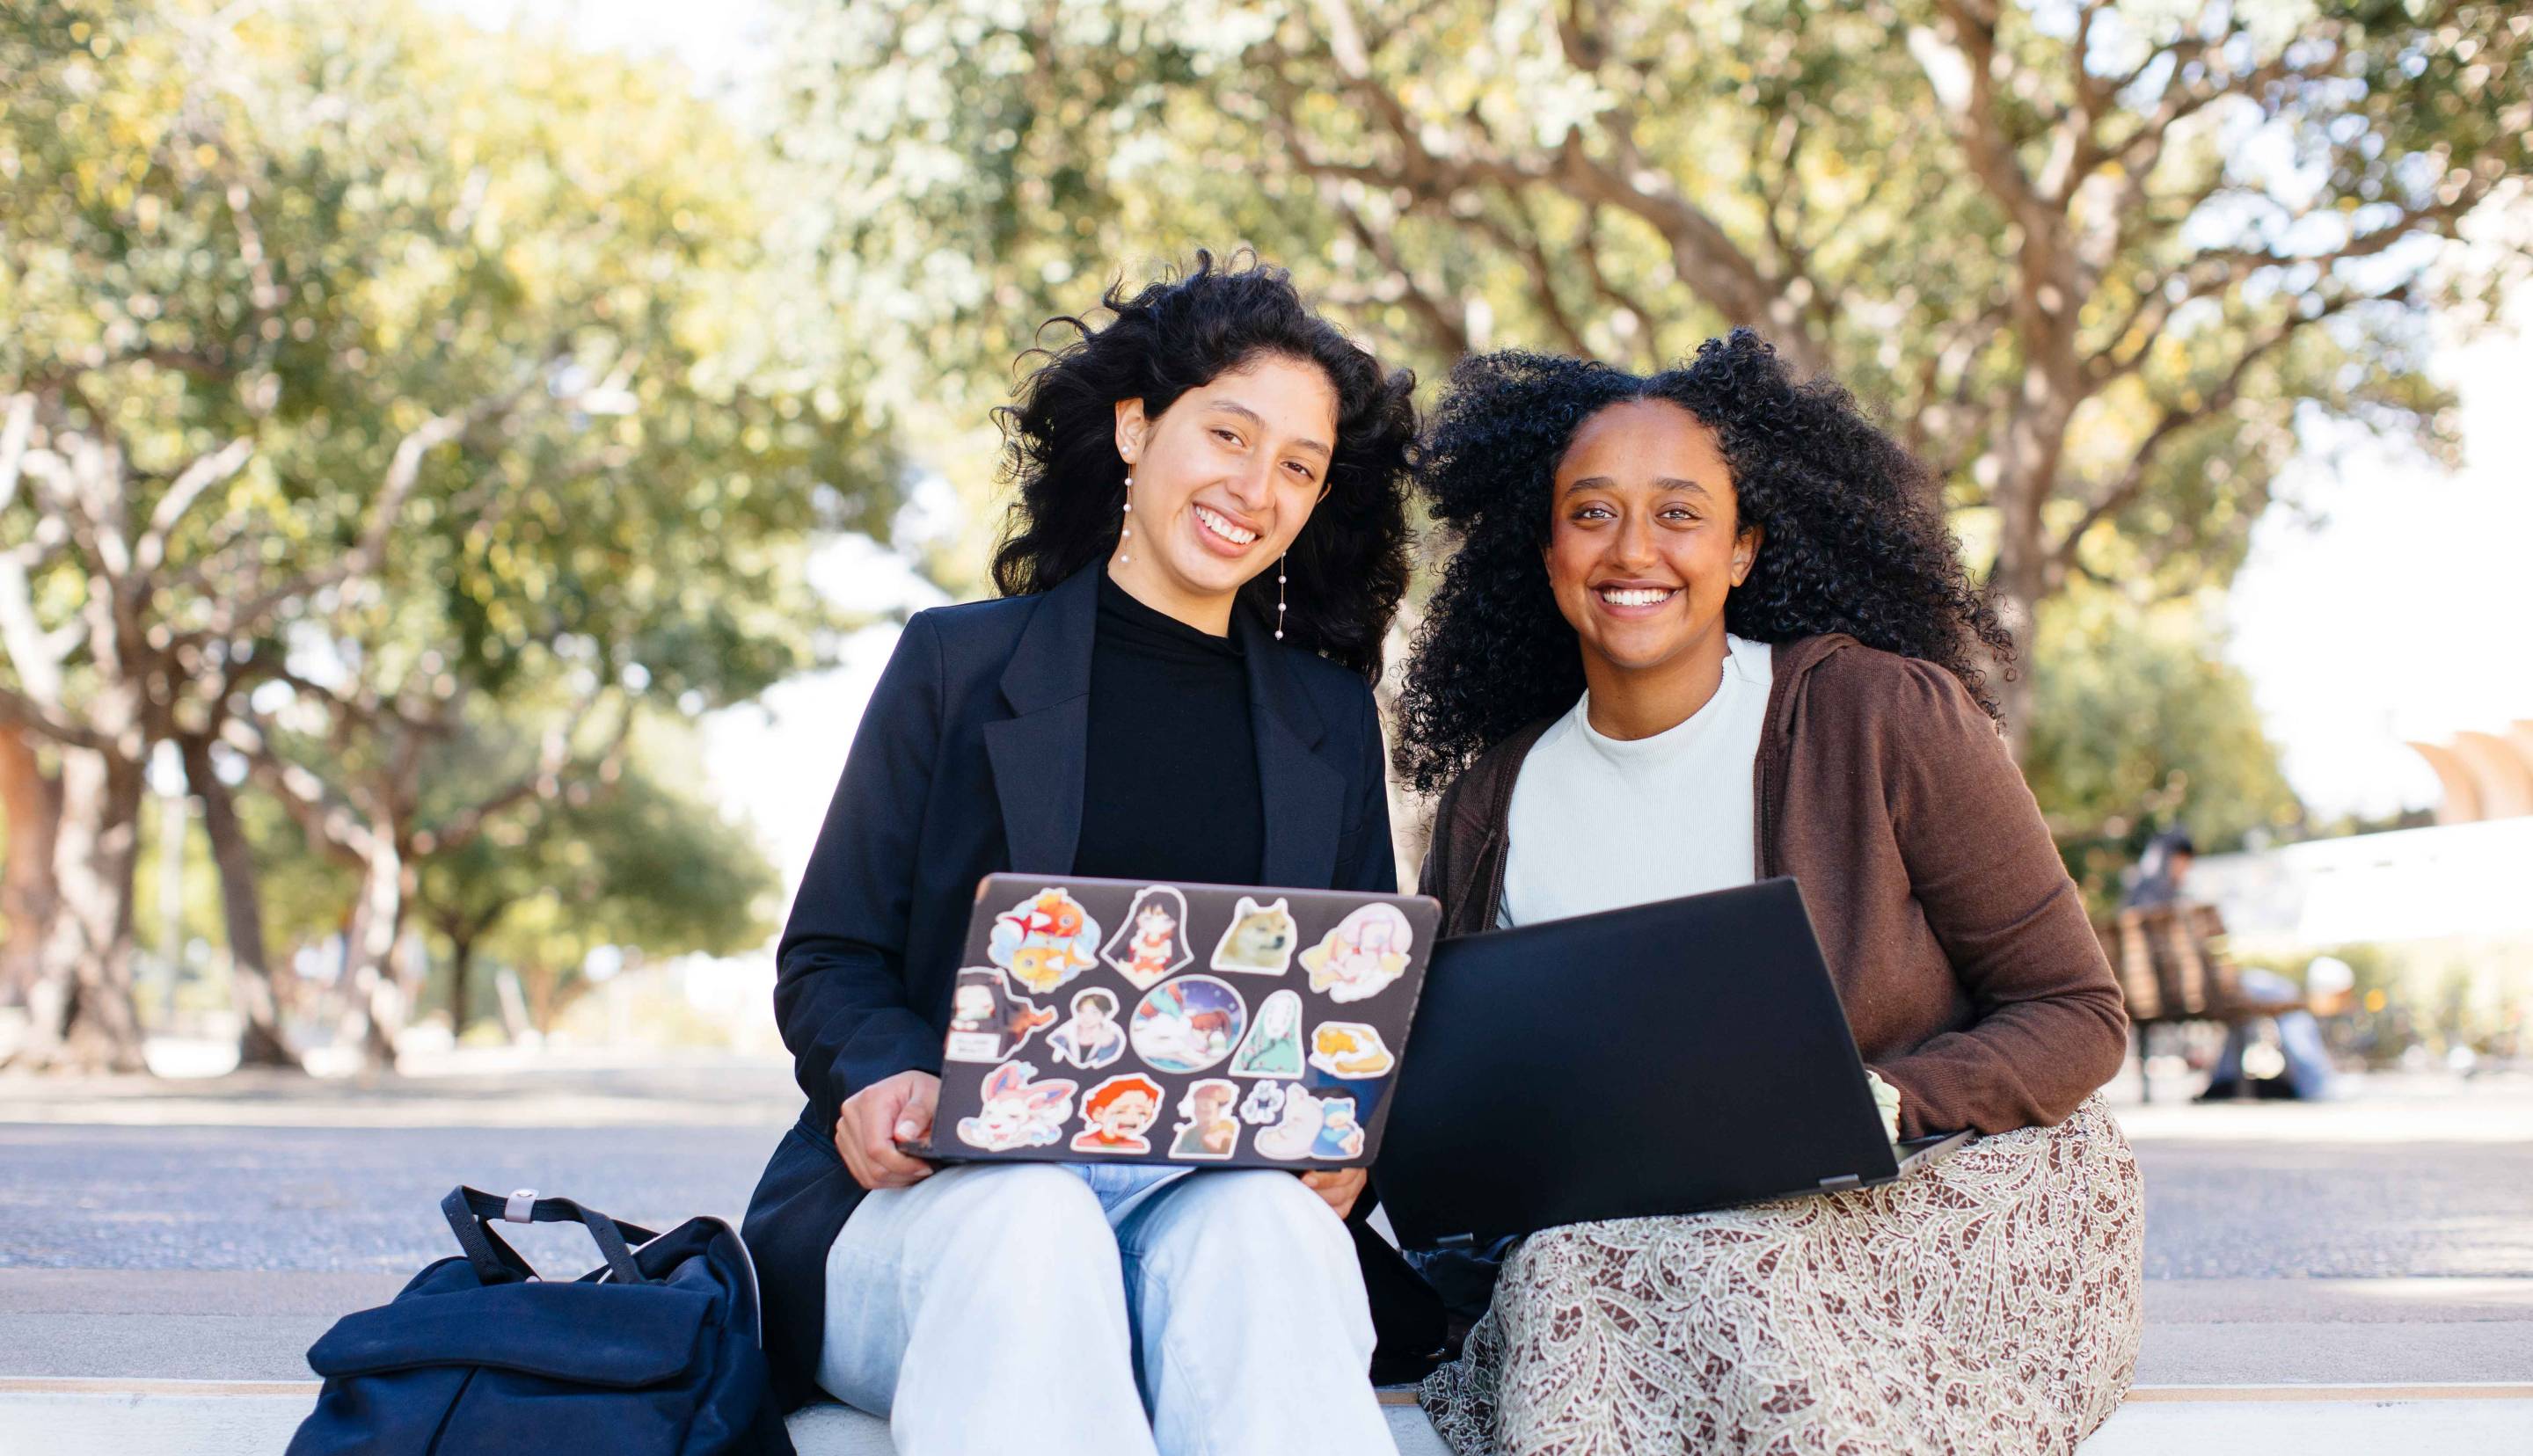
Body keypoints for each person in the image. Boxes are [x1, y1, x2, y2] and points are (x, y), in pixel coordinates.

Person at [1391, 334, 2145, 1455]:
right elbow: (1476, 1115)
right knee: (1567, 1275)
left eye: (1680, 513)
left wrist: (1881, 1098)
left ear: (1743, 547)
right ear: (1545, 551)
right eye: (1591, 512)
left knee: (1656, 1278)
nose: (1632, 548)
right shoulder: (1493, 804)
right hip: (1626, 1245)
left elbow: (2078, 1014)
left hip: (1926, 1208)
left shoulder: (1886, 717)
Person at [741, 254, 1419, 1456]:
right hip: (942, 1210)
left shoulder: (1327, 721)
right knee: (1033, 1214)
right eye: (1227, 433)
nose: (1255, 486)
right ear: (1133, 426)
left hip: (1199, 1209)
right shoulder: (956, 668)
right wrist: (880, 1079)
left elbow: (1351, 1008)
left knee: (1275, 1234)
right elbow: (832, 952)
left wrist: (1344, 1136)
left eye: (1298, 467)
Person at [2129, 831, 2337, 1100]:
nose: (2187, 868)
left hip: (2162, 993)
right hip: (2202, 989)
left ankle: (2223, 1081)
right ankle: (2317, 1082)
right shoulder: (2174, 903)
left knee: (2259, 998)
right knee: (2281, 991)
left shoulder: (2136, 898)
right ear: (2174, 859)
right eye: (2185, 861)